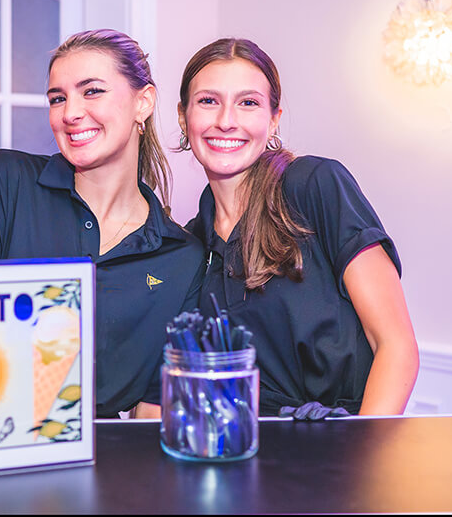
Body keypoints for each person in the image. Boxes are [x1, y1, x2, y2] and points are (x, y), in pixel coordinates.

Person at [0, 29, 205, 419]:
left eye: (92, 91)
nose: (70, 113)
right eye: (57, 98)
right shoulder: (2, 181)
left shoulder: (181, 256)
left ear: (143, 102)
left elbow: (151, 414)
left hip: (110, 469)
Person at [176, 38, 419, 417]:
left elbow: (395, 345)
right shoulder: (192, 244)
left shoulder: (315, 185)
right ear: (183, 116)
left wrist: (363, 441)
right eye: (208, 101)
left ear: (274, 119)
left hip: (348, 454)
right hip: (250, 458)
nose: (226, 120)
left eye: (248, 102)